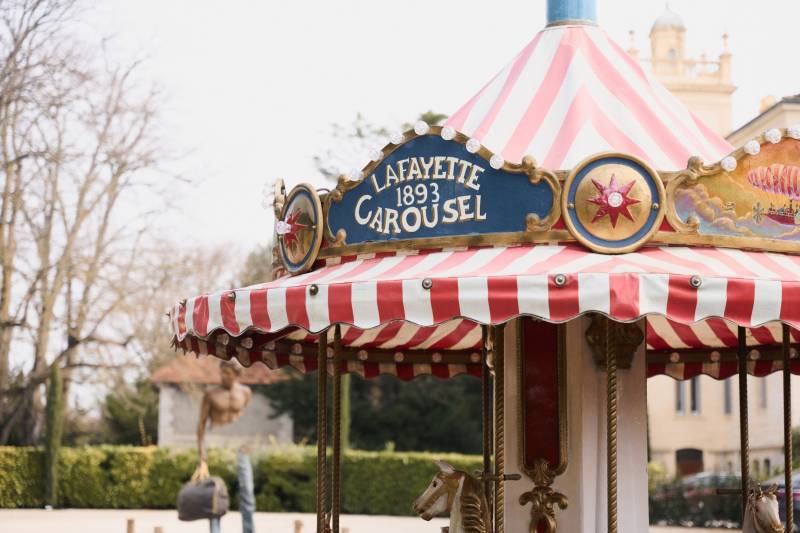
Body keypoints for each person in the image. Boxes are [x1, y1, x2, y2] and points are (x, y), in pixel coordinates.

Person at [197, 360, 255, 533]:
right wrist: (202, 455)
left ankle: (249, 530)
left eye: (227, 373)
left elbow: (244, 420)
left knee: (247, 492)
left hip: (239, 447)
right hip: (216, 446)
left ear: (236, 375)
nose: (223, 376)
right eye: (222, 372)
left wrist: (248, 443)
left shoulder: (245, 393)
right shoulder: (210, 394)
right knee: (215, 494)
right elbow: (201, 425)